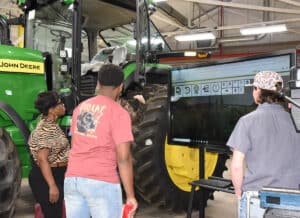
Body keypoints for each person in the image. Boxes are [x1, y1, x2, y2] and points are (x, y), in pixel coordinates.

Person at [64, 64, 138, 218]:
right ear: (120, 87)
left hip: (73, 180)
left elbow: (75, 144)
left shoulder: (81, 108)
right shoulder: (119, 113)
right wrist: (130, 196)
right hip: (101, 182)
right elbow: (123, 158)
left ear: (98, 84)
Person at [227, 71, 300, 218]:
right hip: (293, 199)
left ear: (258, 91)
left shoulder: (247, 121)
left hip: (258, 199)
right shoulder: (295, 121)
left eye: (254, 88)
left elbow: (236, 165)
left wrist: (238, 194)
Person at [28, 91, 70, 218]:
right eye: (60, 103)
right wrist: (52, 186)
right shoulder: (46, 129)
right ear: (52, 110)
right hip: (47, 177)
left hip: (55, 173)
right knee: (53, 215)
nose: (64, 106)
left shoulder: (51, 123)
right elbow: (42, 159)